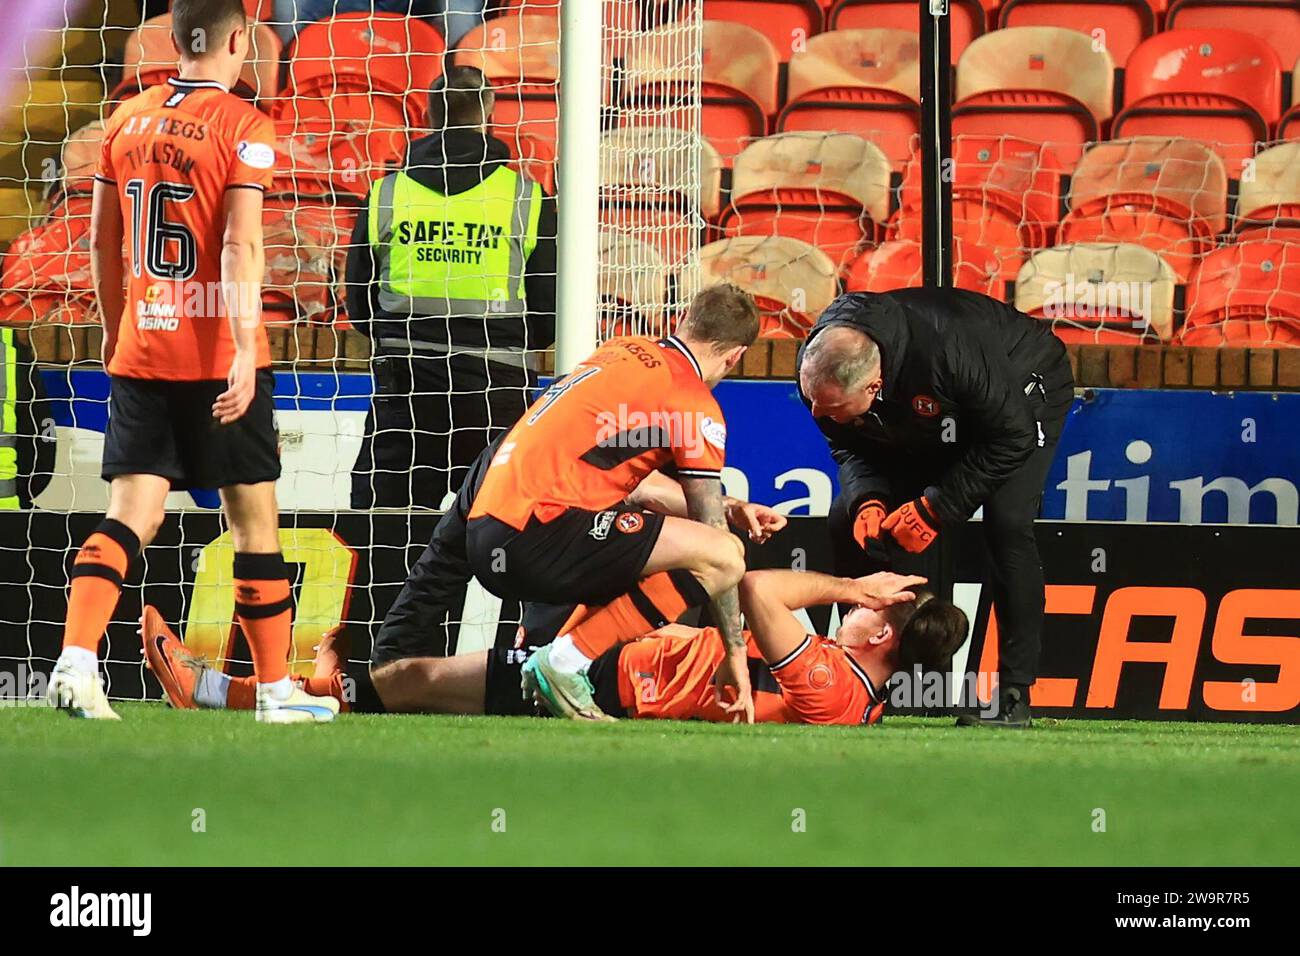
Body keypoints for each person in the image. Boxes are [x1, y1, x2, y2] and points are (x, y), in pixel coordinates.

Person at [47, 0, 337, 724]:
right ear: (240, 40)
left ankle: (76, 663)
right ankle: (274, 691)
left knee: (130, 515)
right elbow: (240, 247)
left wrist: (116, 335)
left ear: (177, 42)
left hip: (143, 348)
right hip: (217, 356)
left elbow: (97, 246)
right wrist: (245, 349)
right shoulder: (246, 128)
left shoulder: (124, 121)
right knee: (253, 526)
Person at [466, 284, 769, 722]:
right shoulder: (692, 402)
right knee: (724, 558)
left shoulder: (618, 351)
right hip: (535, 534)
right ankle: (565, 660)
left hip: (487, 527)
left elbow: (632, 486)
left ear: (683, 319)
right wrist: (733, 650)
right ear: (735, 356)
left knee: (643, 539)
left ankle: (550, 657)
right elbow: (711, 533)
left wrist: (728, 504)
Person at [142, 568, 961, 726]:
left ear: (881, 629)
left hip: (606, 681)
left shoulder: (834, 681)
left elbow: (752, 591)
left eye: (871, 604)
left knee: (418, 675)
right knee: (416, 679)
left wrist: (849, 589)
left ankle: (222, 693)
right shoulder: (854, 696)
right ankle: (325, 688)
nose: (856, 603)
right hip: (620, 663)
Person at [796, 288, 1074, 729]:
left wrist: (936, 509)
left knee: (1007, 522)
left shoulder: (948, 353)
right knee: (848, 519)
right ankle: (856, 680)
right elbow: (849, 448)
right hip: (936, 401)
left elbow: (1012, 437)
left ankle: (1014, 695)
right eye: (813, 401)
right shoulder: (821, 367)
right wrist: (869, 499)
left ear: (874, 386)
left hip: (1022, 385)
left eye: (830, 408)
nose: (817, 412)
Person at [347, 64, 556, 509]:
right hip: (495, 387)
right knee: (503, 526)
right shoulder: (527, 196)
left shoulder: (385, 192)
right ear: (489, 116)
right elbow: (547, 313)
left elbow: (357, 304)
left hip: (405, 383)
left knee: (386, 529)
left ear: (427, 116)